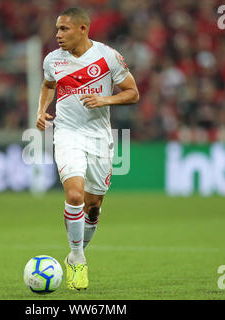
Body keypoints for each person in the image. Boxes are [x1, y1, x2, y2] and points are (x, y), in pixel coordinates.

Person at [36, 7, 139, 290]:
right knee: (74, 193)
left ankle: (75, 251)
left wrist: (105, 100)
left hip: (99, 139)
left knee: (93, 208)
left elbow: (133, 93)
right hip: (67, 135)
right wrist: (41, 110)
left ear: (83, 29)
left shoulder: (108, 57)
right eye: (57, 29)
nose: (57, 35)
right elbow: (48, 85)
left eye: (64, 29)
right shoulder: (52, 60)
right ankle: (78, 258)